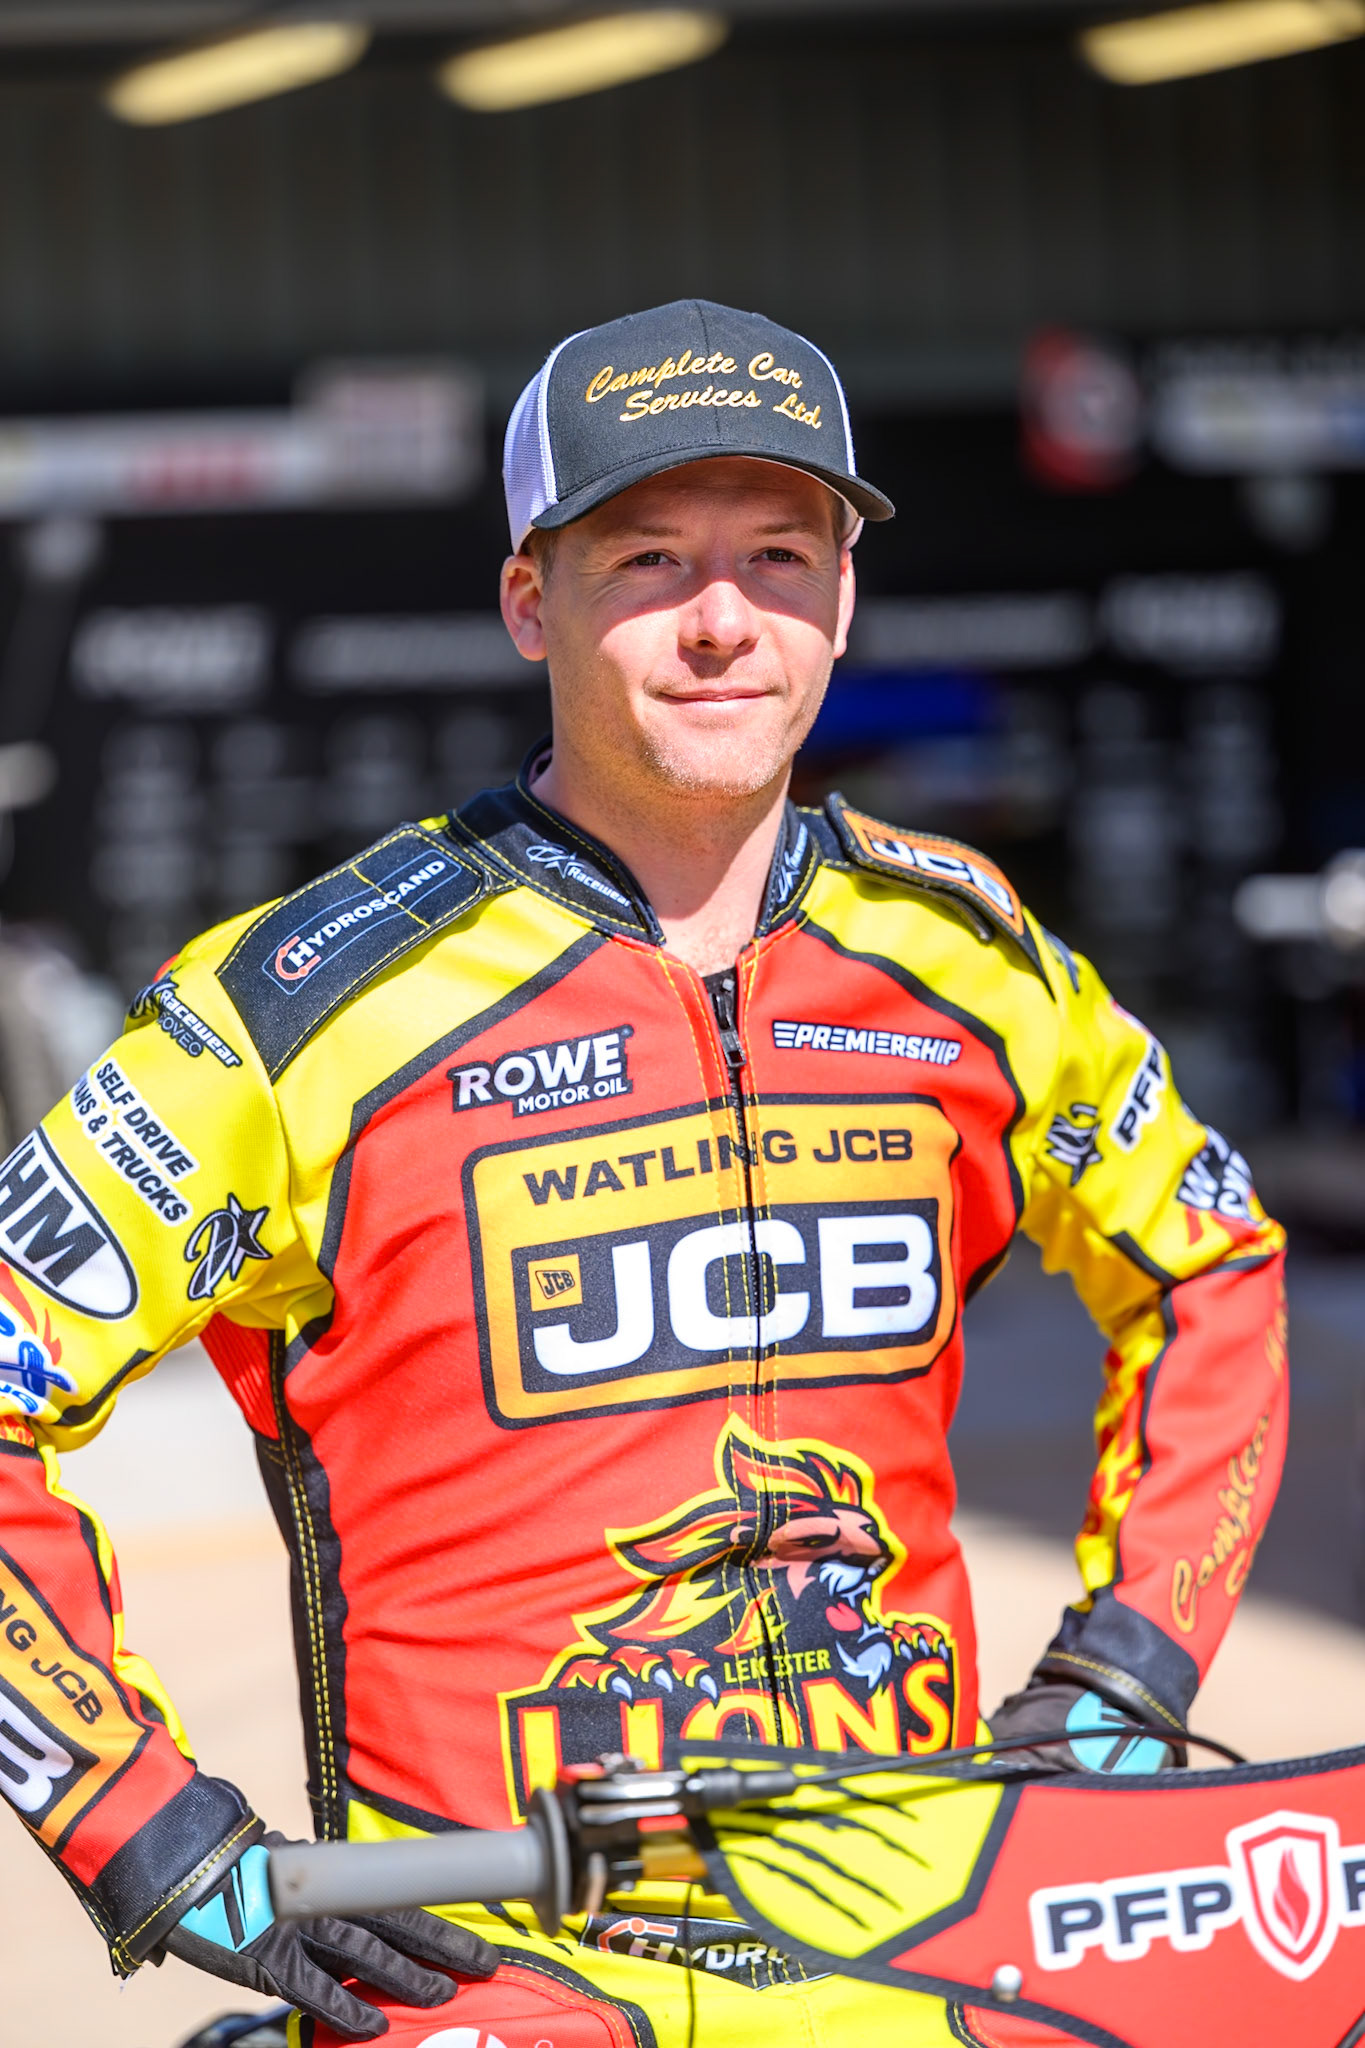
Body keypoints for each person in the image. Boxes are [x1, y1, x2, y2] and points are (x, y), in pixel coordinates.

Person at [0, 300, 1287, 2048]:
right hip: (492, 1981)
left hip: (908, 1972)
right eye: (647, 557)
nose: (720, 623)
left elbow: (1208, 1264)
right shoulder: (298, 1012)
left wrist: (1137, 1663)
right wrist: (142, 1828)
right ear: (531, 597)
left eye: (776, 552)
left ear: (842, 589)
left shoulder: (966, 962)